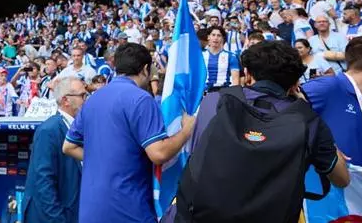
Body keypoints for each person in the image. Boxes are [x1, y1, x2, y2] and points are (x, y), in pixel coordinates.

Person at [171, 41, 349, 222]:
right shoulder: (308, 120)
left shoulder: (214, 101)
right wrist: (307, 107)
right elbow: (342, 179)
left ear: (247, 74)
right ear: (296, 83)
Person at [62, 43, 195, 223]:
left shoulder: (94, 99)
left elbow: (69, 146)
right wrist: (186, 130)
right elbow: (159, 153)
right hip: (128, 209)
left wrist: (104, 160)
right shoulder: (141, 99)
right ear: (145, 69)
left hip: (91, 210)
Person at [302, 36, 362, 182]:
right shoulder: (326, 87)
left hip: (349, 200)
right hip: (318, 199)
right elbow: (277, 119)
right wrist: (323, 148)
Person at [22, 77, 87, 223]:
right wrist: (57, 219)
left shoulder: (77, 129)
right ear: (65, 100)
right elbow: (43, 180)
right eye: (82, 96)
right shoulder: (49, 130)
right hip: (50, 217)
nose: (86, 100)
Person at [203, 26, 241, 92]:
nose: (216, 38)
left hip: (224, 92)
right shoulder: (201, 55)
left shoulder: (231, 56)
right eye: (213, 35)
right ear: (208, 37)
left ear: (222, 38)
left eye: (219, 35)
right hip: (204, 92)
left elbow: (235, 80)